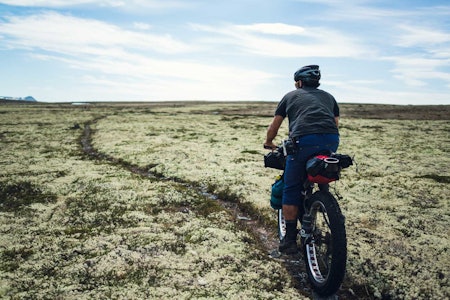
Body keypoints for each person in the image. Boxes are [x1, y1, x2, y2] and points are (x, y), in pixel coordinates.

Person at [264, 65, 340, 254]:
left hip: (303, 141)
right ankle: (323, 194)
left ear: (299, 82)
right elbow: (335, 123)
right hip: (331, 140)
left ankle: (289, 239)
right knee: (321, 163)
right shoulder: (329, 97)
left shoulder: (290, 96)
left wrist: (268, 141)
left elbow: (275, 124)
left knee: (291, 187)